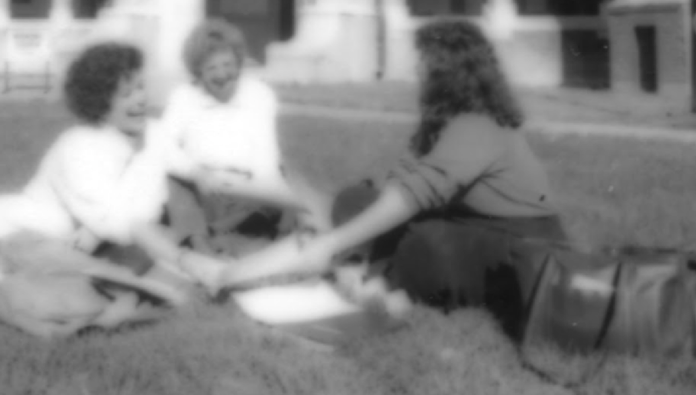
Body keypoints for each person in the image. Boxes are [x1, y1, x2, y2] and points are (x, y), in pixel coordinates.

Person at [210, 19, 567, 339]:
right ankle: (359, 271)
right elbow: (400, 182)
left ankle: (371, 278)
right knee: (354, 200)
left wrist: (331, 243)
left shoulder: (478, 124)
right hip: (471, 227)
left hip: (516, 247)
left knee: (418, 239)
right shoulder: (445, 120)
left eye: (423, 62)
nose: (417, 70)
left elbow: (409, 199)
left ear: (446, 70)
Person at [0, 42, 207, 291]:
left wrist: (213, 177)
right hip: (33, 232)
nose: (140, 100)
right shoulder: (79, 146)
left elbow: (187, 167)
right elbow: (116, 222)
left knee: (120, 270)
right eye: (126, 95)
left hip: (89, 241)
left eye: (140, 87)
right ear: (100, 104)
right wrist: (99, 233)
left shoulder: (152, 132)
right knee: (93, 278)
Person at [147, 18, 330, 260]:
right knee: (174, 183)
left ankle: (225, 235)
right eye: (212, 69)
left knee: (291, 181)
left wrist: (270, 195)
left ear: (239, 63)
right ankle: (203, 245)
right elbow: (163, 146)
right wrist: (196, 173)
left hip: (247, 191)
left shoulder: (259, 95)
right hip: (204, 188)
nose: (222, 74)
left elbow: (266, 163)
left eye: (228, 64)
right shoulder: (184, 97)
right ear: (198, 72)